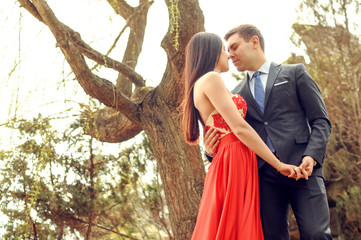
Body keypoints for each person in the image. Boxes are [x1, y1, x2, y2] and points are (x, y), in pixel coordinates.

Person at [204, 24, 333, 240]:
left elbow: (321, 120)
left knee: (317, 234)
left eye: (234, 47)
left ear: (254, 42)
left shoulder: (295, 73)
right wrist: (210, 151)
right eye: (227, 49)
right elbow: (230, 136)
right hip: (262, 178)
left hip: (304, 169)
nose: (230, 54)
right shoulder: (235, 95)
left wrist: (311, 155)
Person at [182, 32, 301, 240]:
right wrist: (278, 164)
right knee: (237, 226)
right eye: (223, 50)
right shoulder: (211, 78)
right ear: (210, 52)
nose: (227, 55)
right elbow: (239, 128)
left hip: (236, 158)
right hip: (234, 159)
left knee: (236, 227)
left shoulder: (205, 83)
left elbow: (218, 128)